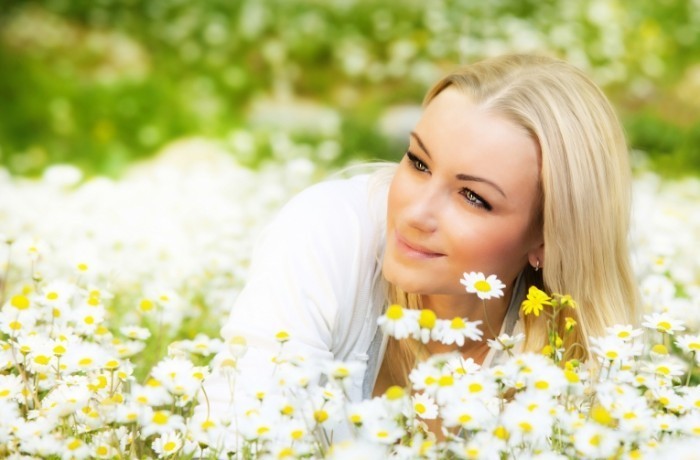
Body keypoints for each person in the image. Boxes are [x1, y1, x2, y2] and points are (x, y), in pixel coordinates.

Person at [204, 54, 639, 411]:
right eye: (418, 162)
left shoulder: (570, 362)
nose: (415, 213)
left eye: (473, 197)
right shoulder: (328, 230)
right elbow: (241, 426)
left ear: (547, 239)